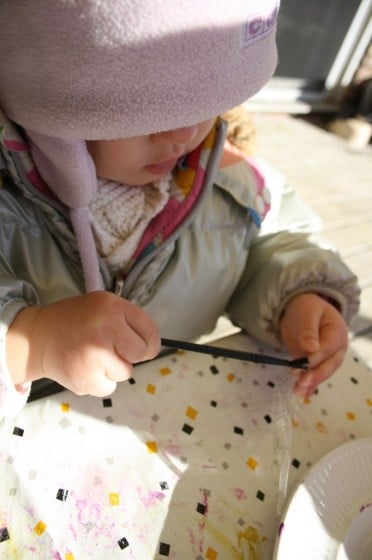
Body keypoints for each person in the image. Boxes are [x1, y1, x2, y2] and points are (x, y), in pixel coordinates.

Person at [0, 0, 360, 420]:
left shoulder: (232, 180)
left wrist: (296, 294)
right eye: (143, 107)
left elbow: (271, 243)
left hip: (162, 416)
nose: (183, 132)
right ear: (51, 107)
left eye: (203, 101)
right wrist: (31, 341)